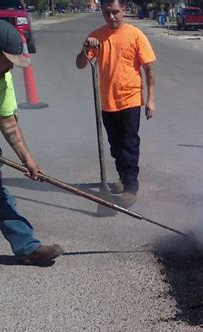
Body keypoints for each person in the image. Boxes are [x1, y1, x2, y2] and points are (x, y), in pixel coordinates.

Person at [0, 19, 63, 264]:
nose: (10, 70)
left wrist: (28, 159)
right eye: (8, 62)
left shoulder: (1, 78)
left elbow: (8, 122)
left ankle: (28, 247)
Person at [76, 0, 156, 208]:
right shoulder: (97, 36)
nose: (111, 17)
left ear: (124, 10)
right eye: (106, 13)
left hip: (130, 99)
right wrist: (85, 48)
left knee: (129, 143)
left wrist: (151, 100)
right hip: (106, 101)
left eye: (115, 12)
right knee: (115, 144)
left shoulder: (136, 35)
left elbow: (149, 69)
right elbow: (80, 64)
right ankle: (123, 176)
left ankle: (131, 186)